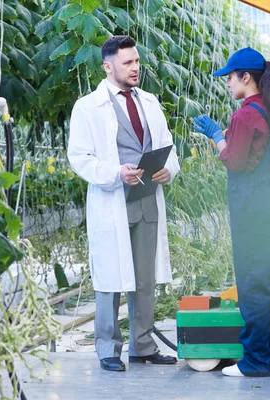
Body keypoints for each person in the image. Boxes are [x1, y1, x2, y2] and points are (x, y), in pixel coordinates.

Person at [67, 35, 181, 372]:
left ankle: (142, 345)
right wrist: (115, 173)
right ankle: (107, 349)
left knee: (144, 278)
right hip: (113, 200)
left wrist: (167, 170)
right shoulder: (87, 107)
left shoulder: (149, 101)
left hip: (146, 200)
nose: (135, 68)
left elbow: (168, 146)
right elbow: (79, 158)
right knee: (110, 279)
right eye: (128, 63)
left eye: (137, 62)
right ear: (108, 66)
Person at [193, 47, 270, 377]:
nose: (227, 83)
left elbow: (236, 162)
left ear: (246, 77)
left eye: (230, 77)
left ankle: (254, 361)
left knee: (253, 285)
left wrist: (215, 137)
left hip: (253, 210)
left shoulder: (245, 115)